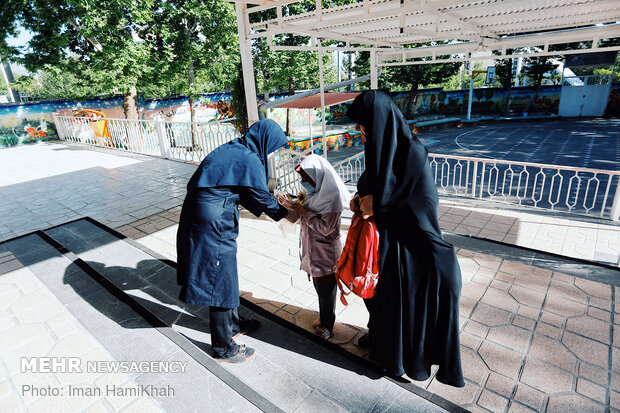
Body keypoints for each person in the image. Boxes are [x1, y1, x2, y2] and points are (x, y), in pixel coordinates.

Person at [346, 90, 464, 387]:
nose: (359, 132)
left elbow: (422, 205)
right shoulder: (378, 148)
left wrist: (378, 204)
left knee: (400, 307)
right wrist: (358, 200)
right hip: (382, 246)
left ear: (380, 121)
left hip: (411, 249)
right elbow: (370, 191)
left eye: (363, 125)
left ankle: (400, 360)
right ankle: (380, 342)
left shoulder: (413, 152)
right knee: (379, 302)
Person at [176, 119, 290, 363]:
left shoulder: (237, 148)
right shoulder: (248, 158)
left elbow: (243, 188)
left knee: (226, 274)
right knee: (218, 279)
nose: (272, 153)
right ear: (265, 140)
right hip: (212, 219)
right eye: (273, 147)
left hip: (208, 212)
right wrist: (287, 213)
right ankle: (223, 347)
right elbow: (260, 195)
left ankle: (233, 324)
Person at [277, 154, 350, 339]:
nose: (303, 183)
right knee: (319, 286)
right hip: (313, 249)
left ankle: (328, 325)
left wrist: (304, 212)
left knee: (326, 290)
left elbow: (326, 229)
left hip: (325, 253)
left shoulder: (332, 200)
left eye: (306, 179)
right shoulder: (313, 194)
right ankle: (324, 317)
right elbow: (300, 216)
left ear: (318, 177)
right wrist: (289, 207)